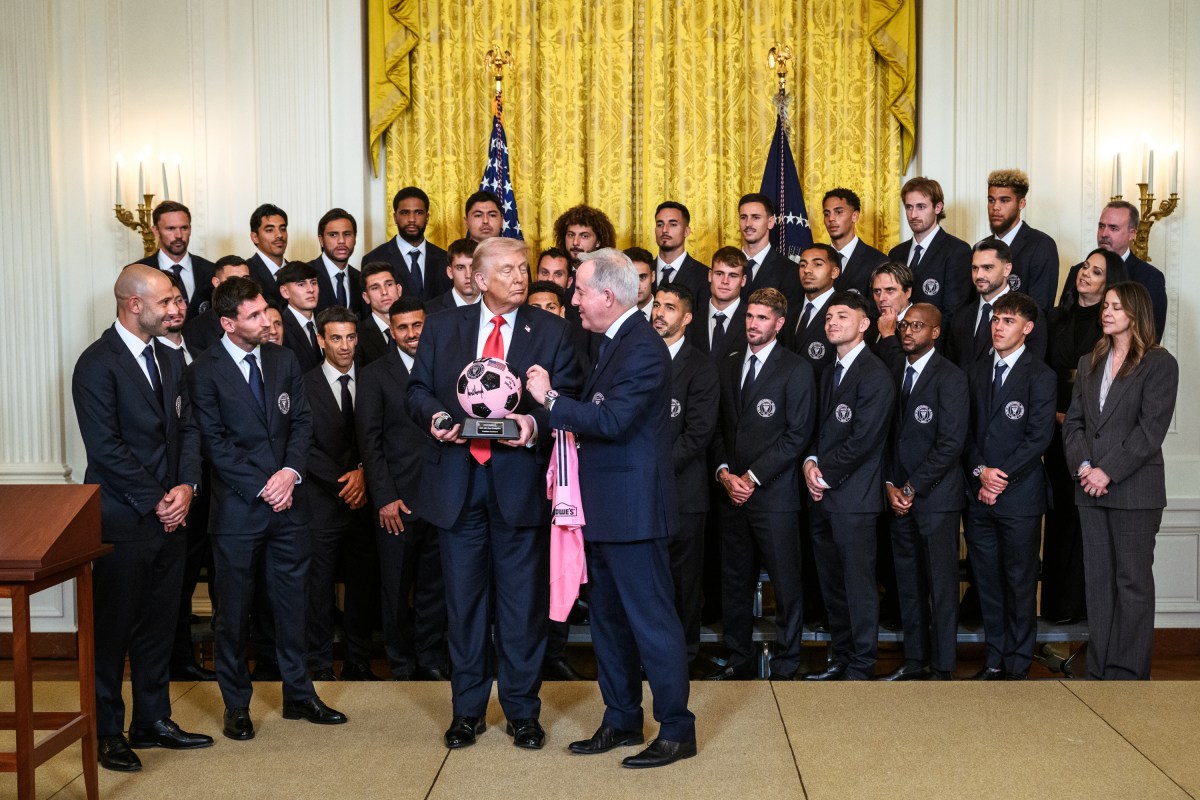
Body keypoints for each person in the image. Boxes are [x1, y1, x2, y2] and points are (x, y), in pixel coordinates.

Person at [406, 235, 581, 750]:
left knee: (522, 606)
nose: (520, 277)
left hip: (519, 485)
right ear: (479, 280)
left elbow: (566, 399)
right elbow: (416, 391)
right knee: (463, 605)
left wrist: (532, 423)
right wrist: (437, 417)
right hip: (458, 486)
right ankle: (467, 713)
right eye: (507, 270)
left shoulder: (551, 330)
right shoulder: (441, 327)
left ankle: (523, 712)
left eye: (523, 269)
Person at [526, 248, 696, 768]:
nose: (572, 299)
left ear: (607, 295)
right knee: (608, 623)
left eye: (578, 290)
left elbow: (614, 421)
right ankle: (621, 718)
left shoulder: (642, 347)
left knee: (652, 623)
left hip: (635, 513)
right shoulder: (612, 342)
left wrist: (549, 400)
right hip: (602, 511)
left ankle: (675, 729)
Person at [187, 276, 347, 740]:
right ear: (228, 323)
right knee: (234, 613)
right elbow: (213, 446)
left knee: (293, 605)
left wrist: (290, 474)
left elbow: (301, 422)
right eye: (254, 316)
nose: (266, 322)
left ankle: (299, 695)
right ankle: (236, 704)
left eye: (265, 313)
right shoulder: (204, 370)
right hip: (238, 513)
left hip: (289, 507)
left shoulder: (284, 359)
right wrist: (263, 485)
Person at [72, 264, 213, 772]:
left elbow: (191, 429)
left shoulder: (170, 358)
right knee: (113, 630)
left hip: (172, 513)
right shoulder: (96, 364)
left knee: (159, 623)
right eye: (165, 302)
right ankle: (107, 729)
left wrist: (186, 489)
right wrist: (158, 498)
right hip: (122, 518)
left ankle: (152, 720)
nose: (175, 309)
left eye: (177, 300)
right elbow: (105, 449)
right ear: (134, 305)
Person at [1063, 282, 1178, 680]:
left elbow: (1150, 431)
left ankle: (1126, 677)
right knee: (1098, 584)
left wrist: (1105, 471)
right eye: (1105, 305)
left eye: (1115, 306)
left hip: (1134, 491)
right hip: (1089, 490)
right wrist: (1083, 468)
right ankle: (1099, 675)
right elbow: (1074, 424)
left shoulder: (1159, 363)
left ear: (1135, 312)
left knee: (1132, 585)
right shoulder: (1090, 359)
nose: (1106, 312)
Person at [709, 287, 815, 681]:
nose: (752, 324)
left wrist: (751, 478)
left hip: (774, 496)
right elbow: (718, 427)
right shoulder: (729, 363)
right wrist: (724, 474)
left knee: (786, 583)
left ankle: (788, 662)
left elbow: (797, 434)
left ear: (779, 323)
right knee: (734, 582)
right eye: (749, 316)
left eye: (761, 318)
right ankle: (739, 659)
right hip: (731, 494)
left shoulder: (796, 368)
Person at [802, 290, 895, 681]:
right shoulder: (829, 371)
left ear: (864, 324)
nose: (832, 322)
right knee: (832, 584)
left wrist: (823, 473)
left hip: (854, 498)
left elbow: (865, 439)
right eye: (828, 317)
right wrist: (809, 462)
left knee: (857, 585)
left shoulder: (875, 374)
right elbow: (817, 429)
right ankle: (840, 657)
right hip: (823, 496)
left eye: (842, 316)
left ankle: (861, 663)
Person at [963, 291, 1055, 680]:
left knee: (1019, 582)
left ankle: (1018, 664)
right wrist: (981, 471)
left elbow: (1038, 437)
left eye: (1008, 321)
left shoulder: (1041, 374)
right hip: (979, 495)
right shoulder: (975, 371)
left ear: (1027, 328)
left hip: (1019, 496)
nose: (998, 327)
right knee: (987, 582)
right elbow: (962, 433)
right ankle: (995, 658)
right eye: (996, 320)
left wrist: (998, 477)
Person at [358, 296, 449, 680]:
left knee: (434, 586)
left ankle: (429, 658)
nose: (412, 334)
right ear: (391, 332)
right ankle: (400, 661)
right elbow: (370, 441)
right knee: (395, 586)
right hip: (397, 501)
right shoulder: (375, 374)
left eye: (417, 325)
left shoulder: (448, 368)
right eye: (403, 328)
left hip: (443, 498)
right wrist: (384, 497)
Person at [879, 303, 968, 681]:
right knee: (909, 584)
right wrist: (889, 486)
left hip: (936, 500)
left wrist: (911, 487)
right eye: (903, 325)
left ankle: (943, 664)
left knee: (940, 586)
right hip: (897, 499)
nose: (907, 331)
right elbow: (882, 436)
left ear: (935, 332)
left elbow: (950, 443)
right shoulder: (891, 371)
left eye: (917, 325)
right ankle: (914, 660)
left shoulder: (951, 377)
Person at [1041, 249, 1127, 624]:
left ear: (1110, 284)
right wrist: (1055, 416)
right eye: (1084, 268)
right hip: (1053, 431)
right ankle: (1058, 610)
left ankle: (1086, 613)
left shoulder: (1110, 327)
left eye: (1097, 271)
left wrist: (1072, 418)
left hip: (1094, 436)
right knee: (1059, 518)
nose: (1086, 275)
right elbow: (1041, 374)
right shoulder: (1054, 317)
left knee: (1086, 522)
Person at [302, 306, 379, 681]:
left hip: (366, 503)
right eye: (336, 338)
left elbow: (382, 436)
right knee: (319, 588)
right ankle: (318, 664)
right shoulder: (303, 384)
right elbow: (302, 445)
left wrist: (364, 475)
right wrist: (345, 482)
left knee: (363, 585)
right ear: (321, 340)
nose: (345, 346)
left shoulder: (373, 379)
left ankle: (358, 662)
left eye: (350, 337)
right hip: (321, 503)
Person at [651, 283, 719, 666]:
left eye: (670, 308)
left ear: (687, 318)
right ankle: (650, 654)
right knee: (650, 579)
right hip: (641, 491)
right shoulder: (640, 357)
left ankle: (684, 655)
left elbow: (698, 433)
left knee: (683, 582)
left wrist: (653, 468)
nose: (659, 313)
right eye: (657, 305)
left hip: (684, 493)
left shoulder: (701, 366)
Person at [1059, 201, 1167, 341]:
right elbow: (1062, 321)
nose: (1104, 234)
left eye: (1113, 228)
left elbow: (1151, 336)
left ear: (1132, 234)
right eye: (1101, 226)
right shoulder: (1078, 271)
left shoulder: (1150, 278)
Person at [944, 240, 1047, 371]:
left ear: (1006, 269)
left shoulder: (1029, 313)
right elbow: (951, 368)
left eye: (987, 268)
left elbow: (1033, 369)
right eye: (975, 268)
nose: (979, 275)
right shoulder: (961, 316)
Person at [887, 177, 972, 325]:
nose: (913, 215)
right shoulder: (896, 253)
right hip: (896, 340)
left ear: (938, 207)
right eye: (909, 207)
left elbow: (955, 312)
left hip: (936, 343)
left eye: (921, 207)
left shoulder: (957, 251)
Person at [983, 169, 1059, 312]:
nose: (996, 207)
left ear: (1021, 203)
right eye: (991, 200)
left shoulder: (1042, 245)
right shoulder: (980, 247)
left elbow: (1040, 309)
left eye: (1004, 200)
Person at [362, 187, 450, 302]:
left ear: (427, 218)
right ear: (395, 218)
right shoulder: (374, 259)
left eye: (418, 212)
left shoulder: (445, 258)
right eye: (405, 213)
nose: (412, 219)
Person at [134, 201, 216, 320]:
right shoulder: (138, 272)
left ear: (190, 229)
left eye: (184, 228)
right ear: (156, 230)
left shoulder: (211, 270)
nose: (178, 235)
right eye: (171, 228)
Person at [784, 243, 839, 376]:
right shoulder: (789, 311)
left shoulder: (845, 312)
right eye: (802, 265)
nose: (807, 270)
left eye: (817, 264)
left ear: (834, 272)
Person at [738, 193, 802, 307]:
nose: (748, 224)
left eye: (756, 217)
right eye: (743, 217)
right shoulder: (725, 266)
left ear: (770, 222)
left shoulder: (789, 271)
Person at [685, 247, 747, 361]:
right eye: (719, 273)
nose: (725, 281)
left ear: (743, 281)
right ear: (710, 275)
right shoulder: (690, 321)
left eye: (733, 275)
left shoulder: (752, 321)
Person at [822, 188, 886, 298]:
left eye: (838, 212)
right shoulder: (815, 260)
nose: (831, 218)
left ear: (854, 216)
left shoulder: (878, 261)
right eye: (827, 214)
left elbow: (877, 309)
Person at [182, 256, 252, 355]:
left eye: (245, 279)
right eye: (233, 280)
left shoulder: (263, 317)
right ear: (216, 282)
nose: (241, 285)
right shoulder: (196, 328)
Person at [310, 208, 362, 315]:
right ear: (321, 240)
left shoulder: (361, 279)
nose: (341, 241)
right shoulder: (306, 275)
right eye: (333, 235)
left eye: (347, 234)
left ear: (355, 238)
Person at [276, 261, 324, 373]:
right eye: (301, 284)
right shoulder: (280, 327)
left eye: (313, 283)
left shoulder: (326, 321)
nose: (311, 289)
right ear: (285, 292)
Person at [654, 201, 708, 297]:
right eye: (660, 224)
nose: (664, 230)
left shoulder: (704, 275)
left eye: (673, 224)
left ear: (686, 231)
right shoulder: (642, 272)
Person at [867, 261, 913, 370]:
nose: (881, 298)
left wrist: (888, 335)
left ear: (908, 292)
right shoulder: (869, 325)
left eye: (890, 290)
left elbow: (907, 375)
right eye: (877, 291)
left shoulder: (923, 323)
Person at [356, 262, 401, 365]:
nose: (384, 292)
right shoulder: (358, 335)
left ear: (399, 290)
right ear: (366, 297)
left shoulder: (420, 327)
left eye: (389, 284)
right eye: (375, 288)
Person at [245, 203, 289, 308]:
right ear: (255, 237)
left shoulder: (297, 271)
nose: (279, 235)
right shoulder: (246, 273)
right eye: (270, 230)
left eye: (283, 229)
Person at [426, 238, 480, 313]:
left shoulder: (496, 308)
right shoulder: (430, 311)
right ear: (450, 272)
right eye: (460, 268)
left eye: (473, 267)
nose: (468, 275)